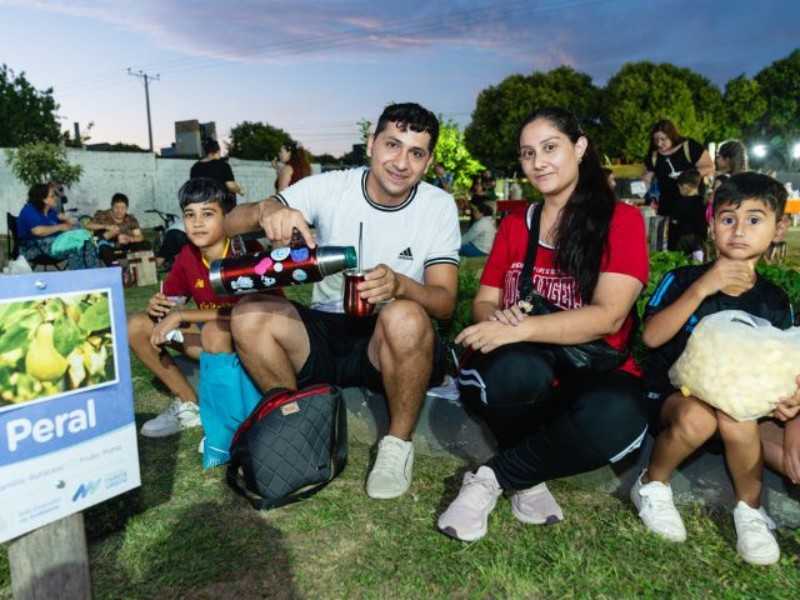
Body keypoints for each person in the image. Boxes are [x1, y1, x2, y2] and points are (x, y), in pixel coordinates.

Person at [224, 102, 460, 500]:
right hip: (327, 330)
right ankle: (297, 427)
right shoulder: (332, 186)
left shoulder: (438, 205)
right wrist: (267, 209)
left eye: (416, 153)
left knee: (406, 315)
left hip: (389, 340)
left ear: (428, 161)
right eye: (392, 145)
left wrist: (402, 285)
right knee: (250, 314)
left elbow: (445, 303)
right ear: (371, 144)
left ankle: (396, 446)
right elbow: (229, 222)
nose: (401, 162)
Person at [437, 107, 649, 542]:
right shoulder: (517, 224)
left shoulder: (620, 221)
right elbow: (484, 302)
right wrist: (499, 320)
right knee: (514, 369)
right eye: (528, 153)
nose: (538, 162)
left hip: (592, 368)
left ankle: (494, 477)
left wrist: (520, 328)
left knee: (619, 417)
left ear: (580, 147)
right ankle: (529, 479)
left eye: (550, 148)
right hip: (524, 377)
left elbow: (608, 315)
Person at [632, 172, 799, 566]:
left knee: (739, 415)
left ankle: (750, 514)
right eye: (728, 219)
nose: (739, 230)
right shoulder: (683, 279)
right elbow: (652, 338)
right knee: (708, 417)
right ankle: (652, 485)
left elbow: (785, 360)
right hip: (677, 397)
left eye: (754, 220)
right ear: (711, 223)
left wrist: (791, 401)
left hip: (745, 407)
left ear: (779, 228)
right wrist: (702, 288)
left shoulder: (775, 301)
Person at [128, 178, 265, 438]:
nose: (197, 222)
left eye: (208, 213)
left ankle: (233, 416)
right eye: (189, 214)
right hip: (213, 340)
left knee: (216, 331)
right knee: (135, 325)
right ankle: (188, 403)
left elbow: (252, 313)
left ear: (227, 217)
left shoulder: (245, 251)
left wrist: (182, 315)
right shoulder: (187, 255)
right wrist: (158, 307)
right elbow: (170, 301)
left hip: (255, 342)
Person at [641, 119, 714, 251]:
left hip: (692, 202)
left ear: (672, 136)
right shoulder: (654, 155)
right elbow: (647, 175)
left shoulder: (689, 146)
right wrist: (643, 187)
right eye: (656, 140)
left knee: (695, 239)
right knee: (674, 241)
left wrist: (687, 176)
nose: (659, 143)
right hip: (669, 204)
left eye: (663, 139)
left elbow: (709, 166)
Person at [16, 183, 99, 270]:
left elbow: (69, 226)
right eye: (52, 196)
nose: (56, 198)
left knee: (87, 241)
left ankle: (90, 274)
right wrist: (60, 227)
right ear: (42, 199)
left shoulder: (51, 212)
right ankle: (79, 277)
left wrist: (66, 220)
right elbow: (38, 231)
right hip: (34, 248)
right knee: (76, 246)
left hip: (55, 244)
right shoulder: (29, 210)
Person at [85, 193, 151, 267]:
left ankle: (138, 269)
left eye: (123, 208)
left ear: (127, 208)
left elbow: (140, 236)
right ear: (112, 207)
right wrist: (106, 226)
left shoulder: (131, 219)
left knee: (146, 244)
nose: (119, 211)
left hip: (124, 246)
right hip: (107, 245)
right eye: (116, 208)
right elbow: (88, 225)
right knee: (103, 247)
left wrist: (130, 239)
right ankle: (117, 270)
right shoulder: (102, 215)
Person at [190, 139, 245, 205]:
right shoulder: (223, 165)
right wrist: (240, 190)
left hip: (202, 204)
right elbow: (231, 186)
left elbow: (194, 188)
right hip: (222, 205)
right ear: (218, 151)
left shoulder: (195, 167)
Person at [671, 169, 707, 258]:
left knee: (681, 261)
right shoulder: (703, 201)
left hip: (683, 238)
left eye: (679, 187)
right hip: (699, 239)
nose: (679, 190)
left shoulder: (680, 202)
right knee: (697, 263)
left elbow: (674, 221)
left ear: (685, 187)